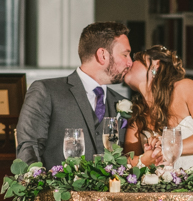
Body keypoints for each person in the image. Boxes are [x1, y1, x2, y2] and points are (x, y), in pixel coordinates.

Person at [16, 22, 163, 168]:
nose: (130, 62)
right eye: (125, 54)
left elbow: (123, 161)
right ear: (102, 55)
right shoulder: (46, 91)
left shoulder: (122, 103)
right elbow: (29, 148)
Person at [123, 45, 193, 170]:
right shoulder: (137, 115)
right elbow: (128, 161)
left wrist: (170, 147)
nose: (129, 64)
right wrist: (148, 158)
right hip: (161, 187)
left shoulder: (184, 88)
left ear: (156, 65)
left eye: (136, 60)